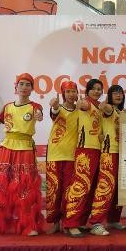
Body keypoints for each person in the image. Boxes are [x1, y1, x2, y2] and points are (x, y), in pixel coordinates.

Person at [0, 73, 44, 236]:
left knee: (25, 186)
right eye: (22, 84)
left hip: (25, 147)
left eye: (28, 85)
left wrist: (39, 116)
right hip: (6, 148)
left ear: (32, 89)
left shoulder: (35, 107)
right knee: (1, 186)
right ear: (16, 87)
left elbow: (39, 116)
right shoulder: (8, 107)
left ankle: (29, 226)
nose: (24, 87)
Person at [63, 78, 109, 237]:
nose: (97, 91)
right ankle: (70, 223)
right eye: (94, 89)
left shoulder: (99, 107)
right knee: (80, 187)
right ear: (87, 91)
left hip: (98, 150)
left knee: (90, 189)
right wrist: (79, 101)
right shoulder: (86, 103)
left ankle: (81, 222)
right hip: (85, 151)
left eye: (99, 89)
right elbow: (79, 105)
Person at [88, 85, 126, 235]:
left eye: (120, 93)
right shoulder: (107, 108)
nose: (118, 95)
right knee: (105, 186)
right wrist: (106, 104)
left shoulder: (121, 111)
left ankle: (113, 219)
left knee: (118, 189)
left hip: (123, 153)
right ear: (109, 95)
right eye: (115, 93)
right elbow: (105, 108)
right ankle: (96, 222)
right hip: (109, 152)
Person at [45, 81, 79, 234]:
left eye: (74, 91)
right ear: (63, 94)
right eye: (68, 91)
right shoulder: (58, 108)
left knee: (68, 190)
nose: (71, 94)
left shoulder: (81, 110)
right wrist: (54, 106)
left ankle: (67, 222)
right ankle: (55, 222)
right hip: (54, 154)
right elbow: (54, 112)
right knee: (54, 190)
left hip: (72, 155)